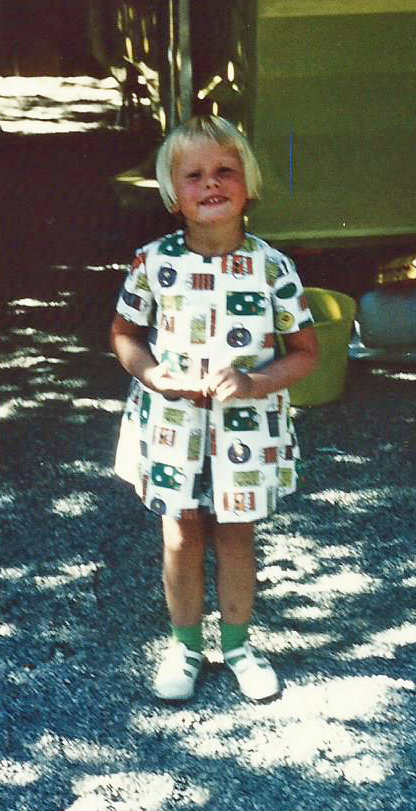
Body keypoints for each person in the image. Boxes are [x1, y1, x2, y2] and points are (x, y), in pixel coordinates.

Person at [110, 115, 318, 703]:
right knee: (181, 531)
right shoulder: (151, 263)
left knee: (235, 533)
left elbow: (304, 353)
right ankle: (184, 647)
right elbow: (125, 335)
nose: (211, 183)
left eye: (225, 170)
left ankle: (239, 645)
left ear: (249, 183)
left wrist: (255, 382)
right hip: (173, 425)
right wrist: (152, 373)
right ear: (174, 193)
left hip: (246, 428)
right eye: (194, 174)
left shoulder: (273, 268)